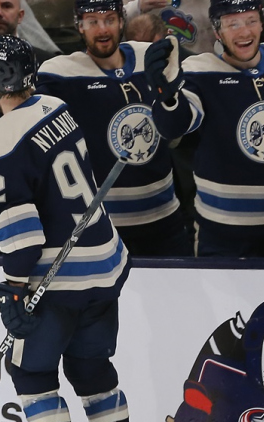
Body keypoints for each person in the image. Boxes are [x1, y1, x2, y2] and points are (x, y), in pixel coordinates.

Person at [0, 35, 146, 422]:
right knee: (91, 369)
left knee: (30, 371)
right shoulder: (56, 107)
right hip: (105, 266)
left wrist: (13, 288)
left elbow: (24, 239)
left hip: (60, 279)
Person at [144, 0, 264, 258]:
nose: (244, 32)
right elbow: (175, 127)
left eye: (251, 21)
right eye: (232, 24)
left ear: (262, 23)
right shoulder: (198, 71)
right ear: (217, 31)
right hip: (222, 231)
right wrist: (166, 94)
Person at [36, 0, 193, 257]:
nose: (102, 29)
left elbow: (179, 129)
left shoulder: (150, 57)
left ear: (122, 21)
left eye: (109, 19)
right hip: (100, 227)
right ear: (79, 26)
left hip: (164, 222)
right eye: (92, 22)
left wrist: (172, 92)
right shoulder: (59, 75)